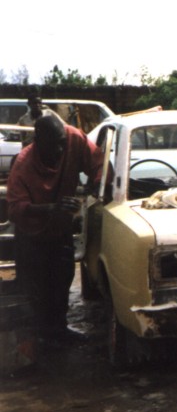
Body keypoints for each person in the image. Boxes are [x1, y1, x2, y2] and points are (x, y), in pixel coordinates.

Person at [7, 114, 104, 346]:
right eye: (55, 145)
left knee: (62, 279)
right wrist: (52, 207)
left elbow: (99, 163)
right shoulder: (23, 165)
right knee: (36, 288)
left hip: (60, 230)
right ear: (39, 143)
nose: (62, 149)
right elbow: (15, 209)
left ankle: (59, 330)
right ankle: (37, 339)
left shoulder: (73, 138)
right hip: (31, 235)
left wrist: (97, 183)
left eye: (63, 142)